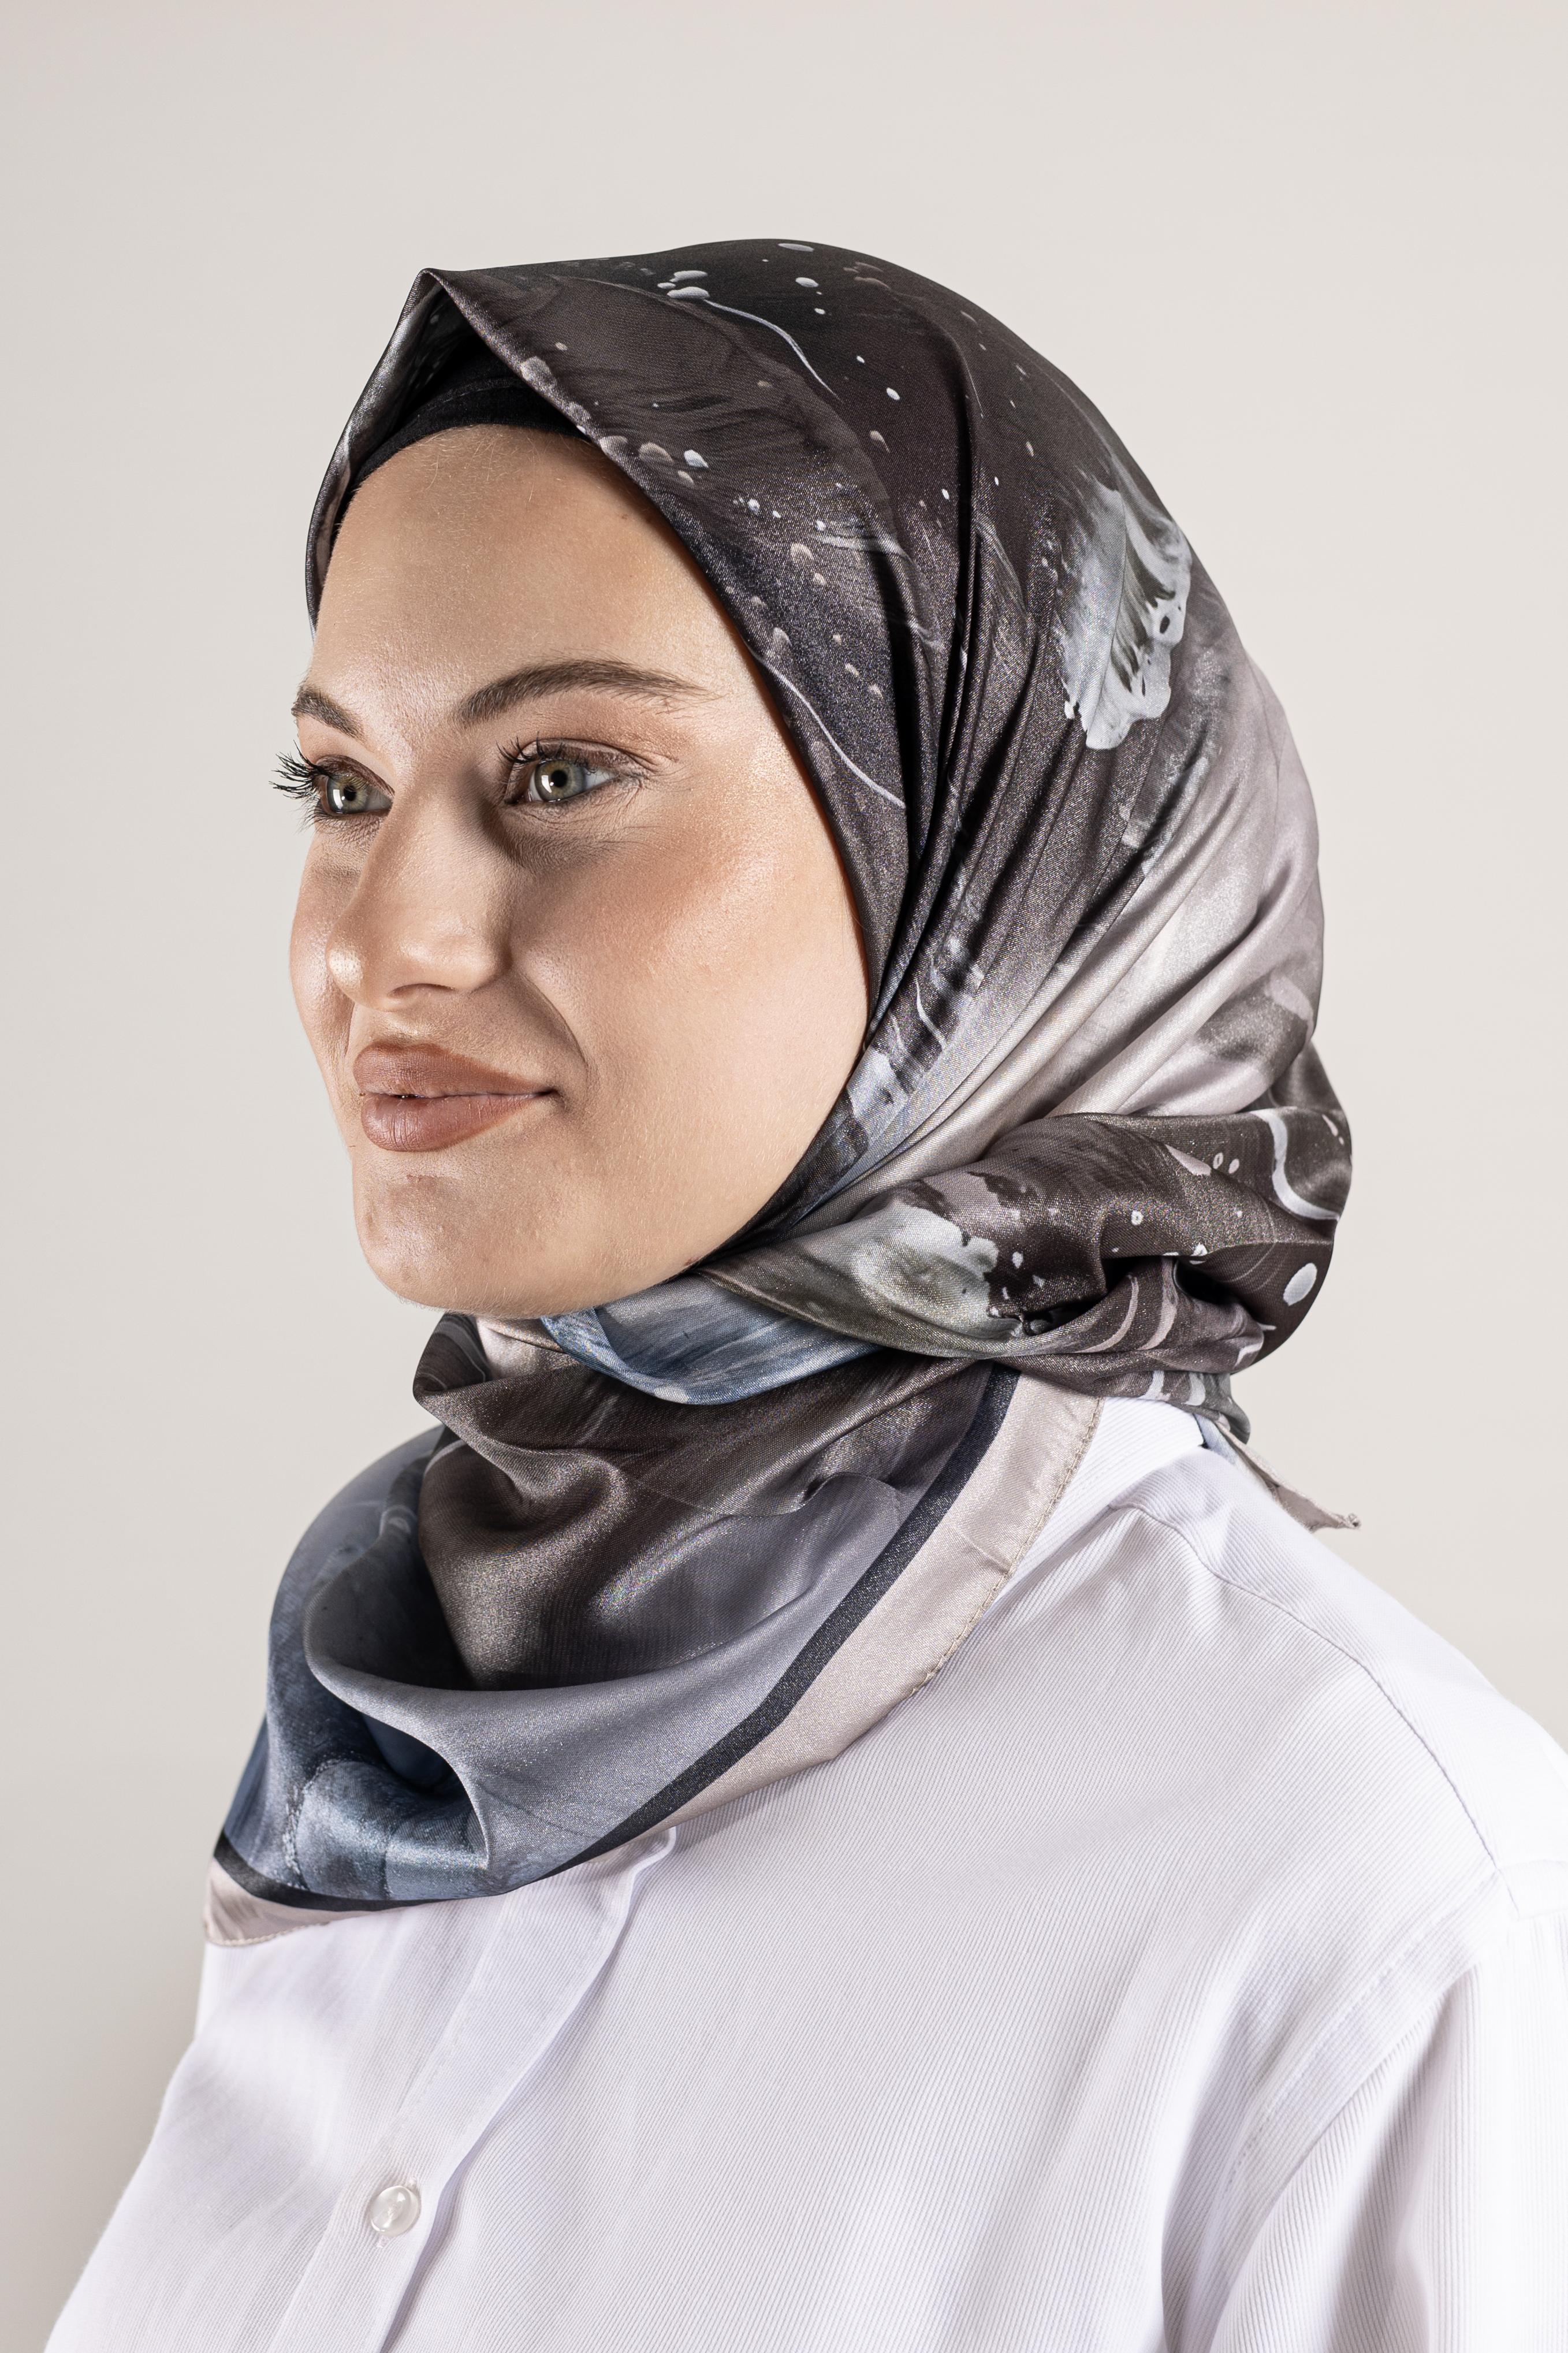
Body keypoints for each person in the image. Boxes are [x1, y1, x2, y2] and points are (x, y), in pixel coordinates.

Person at [50, 241, 1568, 2352]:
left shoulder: (1355, 1881)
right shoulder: (402, 1734)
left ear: (976, 854)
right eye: (340, 788)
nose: (380, 941)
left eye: (560, 774)